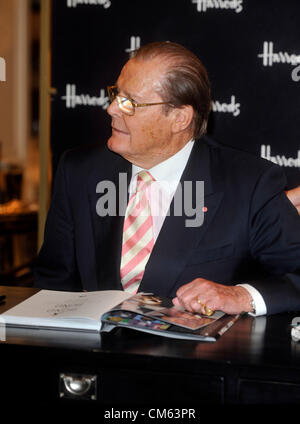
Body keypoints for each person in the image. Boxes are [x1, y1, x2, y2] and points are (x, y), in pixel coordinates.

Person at [34, 41, 300, 317]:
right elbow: (53, 284)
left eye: (130, 103)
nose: (112, 109)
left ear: (179, 118)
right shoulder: (79, 172)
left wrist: (242, 296)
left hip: (194, 358)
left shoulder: (248, 184)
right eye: (115, 94)